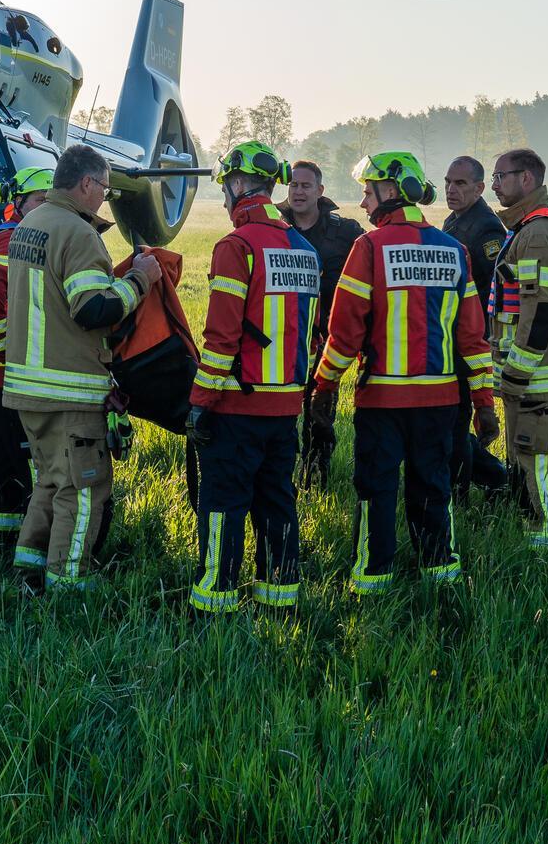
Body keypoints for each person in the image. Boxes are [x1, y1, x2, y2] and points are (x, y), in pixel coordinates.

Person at [309, 152, 495, 594]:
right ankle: (441, 575)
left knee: (376, 488)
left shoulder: (370, 247)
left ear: (390, 191)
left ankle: (372, 580)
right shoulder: (453, 250)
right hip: (441, 402)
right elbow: (473, 337)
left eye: (367, 192)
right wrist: (484, 404)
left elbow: (345, 331)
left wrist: (324, 385)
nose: (363, 203)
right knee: (433, 486)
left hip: (382, 402)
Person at [2, 144, 163, 591]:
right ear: (87, 183)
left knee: (50, 483)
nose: (104, 198)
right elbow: (93, 308)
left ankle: (28, 569)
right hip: (69, 390)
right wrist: (139, 280)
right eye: (105, 190)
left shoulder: (30, 224)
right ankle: (69, 581)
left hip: (28, 388)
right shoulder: (78, 233)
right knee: (84, 488)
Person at [185, 141, 320, 614]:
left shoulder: (236, 246)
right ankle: (280, 599)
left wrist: (200, 402)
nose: (225, 196)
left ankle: (215, 600)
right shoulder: (304, 249)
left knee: (223, 503)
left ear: (239, 184)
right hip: (286, 406)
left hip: (237, 406)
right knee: (277, 501)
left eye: (226, 185)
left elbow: (221, 338)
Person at [487, 148, 548, 551]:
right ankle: (533, 538)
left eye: (500, 176)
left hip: (535, 378)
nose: (494, 185)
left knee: (537, 464)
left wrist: (516, 373)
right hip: (527, 376)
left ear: (526, 179)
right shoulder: (527, 227)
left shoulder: (539, 233)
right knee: (523, 461)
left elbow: (541, 312)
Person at [0, 165, 54, 548]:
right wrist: (2, 349)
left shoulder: (12, 234)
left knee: (5, 457)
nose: (45, 208)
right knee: (16, 456)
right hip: (5, 374)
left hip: (1, 374)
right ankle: (14, 539)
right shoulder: (12, 238)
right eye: (39, 200)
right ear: (18, 203)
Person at [281, 160, 364, 492]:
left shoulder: (345, 232)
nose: (298, 192)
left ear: (320, 190)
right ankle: (281, 478)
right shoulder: (274, 226)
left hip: (328, 341)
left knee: (320, 413)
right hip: (281, 340)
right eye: (293, 185)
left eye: (305, 186)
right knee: (281, 415)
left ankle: (315, 478)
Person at [442, 156, 510, 502]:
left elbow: (489, 293)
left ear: (480, 188)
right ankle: (491, 477)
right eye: (448, 182)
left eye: (460, 183)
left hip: (468, 338)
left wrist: (471, 337)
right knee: (448, 418)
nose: (451, 189)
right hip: (450, 335)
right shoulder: (455, 220)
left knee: (456, 420)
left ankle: (469, 489)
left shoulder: (486, 229)